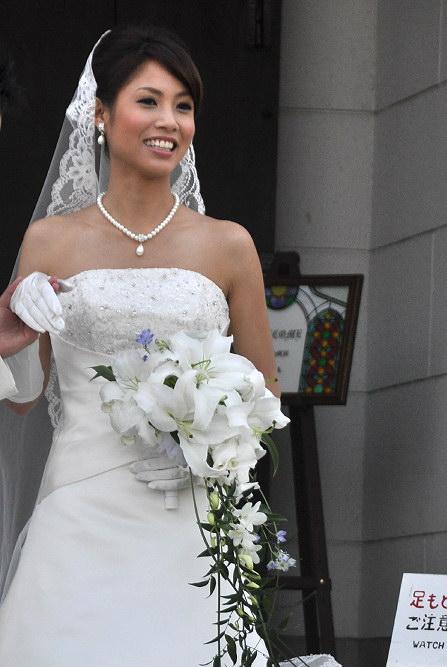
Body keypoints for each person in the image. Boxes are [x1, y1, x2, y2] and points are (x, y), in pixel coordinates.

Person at [0, 25, 281, 667]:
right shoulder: (50, 241)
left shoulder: (227, 244)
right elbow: (23, 398)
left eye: (184, 106)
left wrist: (209, 447)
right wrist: (13, 328)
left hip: (187, 515)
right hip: (78, 509)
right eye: (148, 101)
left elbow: (265, 392)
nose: (169, 122)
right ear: (100, 114)